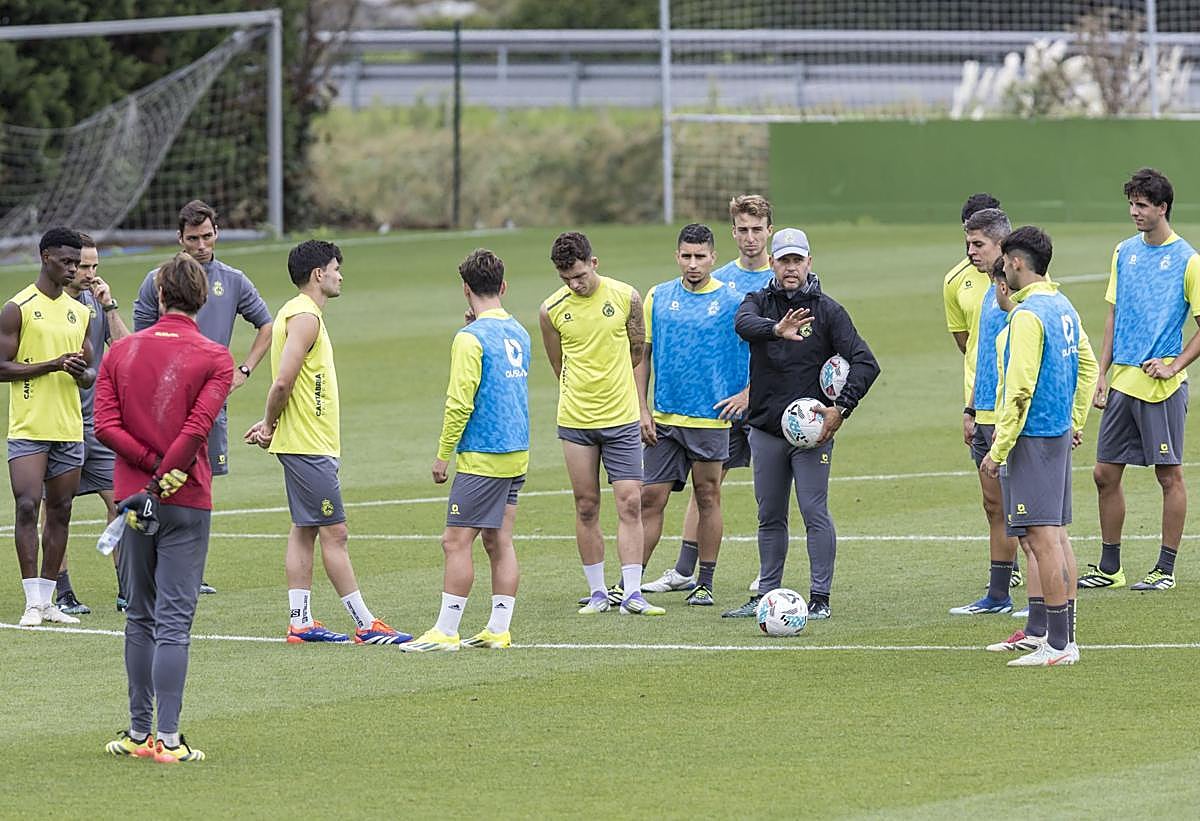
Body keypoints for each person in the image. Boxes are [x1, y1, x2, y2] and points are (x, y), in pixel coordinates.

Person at [95, 252, 233, 761]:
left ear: (158, 295)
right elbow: (198, 428)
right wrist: (165, 475)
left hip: (132, 499)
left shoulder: (121, 352)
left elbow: (105, 426)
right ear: (202, 298)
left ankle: (138, 734)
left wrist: (148, 472)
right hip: (187, 496)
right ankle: (170, 740)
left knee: (140, 618)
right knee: (174, 622)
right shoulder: (215, 357)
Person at [244, 240, 410, 645]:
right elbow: (282, 381)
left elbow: (291, 385)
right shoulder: (305, 317)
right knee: (336, 533)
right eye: (336, 268)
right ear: (319, 274)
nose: (340, 275)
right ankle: (365, 623)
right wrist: (270, 425)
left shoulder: (297, 312)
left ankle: (300, 622)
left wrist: (271, 423)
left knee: (305, 528)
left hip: (306, 441)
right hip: (308, 445)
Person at [722, 228, 880, 620]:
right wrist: (776, 329)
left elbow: (866, 362)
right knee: (770, 515)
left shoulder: (828, 312)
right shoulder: (757, 302)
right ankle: (767, 595)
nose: (790, 268)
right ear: (772, 263)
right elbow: (742, 324)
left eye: (797, 260)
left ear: (809, 262)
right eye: (783, 261)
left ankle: (820, 598)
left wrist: (841, 408)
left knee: (813, 510)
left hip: (813, 434)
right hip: (766, 430)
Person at [133, 199, 274, 595]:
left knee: (200, 486)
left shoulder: (233, 280)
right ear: (180, 238)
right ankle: (151, 571)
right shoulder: (156, 280)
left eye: (207, 237)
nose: (200, 245)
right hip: (163, 405)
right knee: (159, 480)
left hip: (211, 404)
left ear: (217, 234)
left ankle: (188, 573)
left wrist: (244, 370)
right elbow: (137, 341)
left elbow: (266, 325)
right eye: (193, 238)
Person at [644, 194, 775, 596]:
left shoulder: (783, 275)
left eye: (757, 229)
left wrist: (753, 393)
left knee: (769, 487)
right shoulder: (723, 280)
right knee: (706, 488)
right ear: (732, 233)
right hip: (718, 404)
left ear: (769, 231)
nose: (750, 238)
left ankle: (768, 572)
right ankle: (685, 570)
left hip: (765, 399)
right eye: (743, 230)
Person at [980, 226, 1097, 666]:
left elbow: (1019, 389)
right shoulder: (1062, 305)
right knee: (1056, 536)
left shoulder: (1027, 316)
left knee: (1044, 540)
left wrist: (999, 449)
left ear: (1016, 262)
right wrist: (1075, 420)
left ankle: (1060, 646)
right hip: (1056, 433)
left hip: (1032, 437)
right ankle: (1048, 634)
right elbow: (1088, 366)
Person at [402, 249, 529, 651]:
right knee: (499, 540)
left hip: (484, 456)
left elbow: (460, 403)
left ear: (465, 290)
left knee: (455, 541)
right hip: (517, 452)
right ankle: (498, 629)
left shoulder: (469, 339)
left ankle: (446, 630)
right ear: (503, 286)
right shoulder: (518, 331)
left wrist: (444, 455)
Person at [1081, 168, 1200, 592]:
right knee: (1104, 474)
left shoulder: (1188, 260)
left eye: (1142, 205)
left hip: (1160, 389)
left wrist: (1173, 366)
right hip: (1122, 383)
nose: (1134, 211)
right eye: (1131, 204)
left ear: (1162, 208)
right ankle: (1110, 568)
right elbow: (1113, 315)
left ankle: (1164, 570)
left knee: (1169, 477)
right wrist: (1102, 372)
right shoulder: (1124, 252)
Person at [539, 231, 662, 616]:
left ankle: (632, 593)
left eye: (579, 275)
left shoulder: (626, 297)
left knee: (630, 502)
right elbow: (558, 363)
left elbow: (637, 352)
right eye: (566, 279)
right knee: (586, 505)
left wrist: (628, 398)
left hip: (621, 418)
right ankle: (596, 593)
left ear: (594, 263)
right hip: (576, 420)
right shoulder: (551, 310)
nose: (575, 285)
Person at [636, 224, 744, 607]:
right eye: (686, 256)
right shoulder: (658, 296)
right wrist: (642, 408)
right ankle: (630, 583)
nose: (693, 263)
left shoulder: (733, 301)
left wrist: (746, 394)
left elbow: (758, 353)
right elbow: (643, 356)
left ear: (713, 257)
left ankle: (705, 582)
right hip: (664, 420)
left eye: (700, 256)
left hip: (709, 419)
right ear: (677, 256)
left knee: (707, 496)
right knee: (649, 498)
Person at [1, 227, 94, 627]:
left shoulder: (80, 312)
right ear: (45, 257)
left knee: (62, 510)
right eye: (66, 261)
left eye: (77, 262)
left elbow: (90, 373)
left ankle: (47, 600)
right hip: (28, 427)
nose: (73, 269)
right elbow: (1, 367)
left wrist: (79, 372)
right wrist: (52, 365)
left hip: (68, 426)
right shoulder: (17, 307)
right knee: (27, 506)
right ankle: (30, 603)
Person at [949, 208, 1026, 615]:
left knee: (1025, 513)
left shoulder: (1021, 295)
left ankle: (1045, 600)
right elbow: (979, 355)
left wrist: (1007, 416)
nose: (970, 252)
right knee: (994, 507)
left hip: (1007, 419)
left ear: (1001, 245)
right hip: (983, 415)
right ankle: (998, 596)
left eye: (978, 244)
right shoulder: (986, 291)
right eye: (968, 243)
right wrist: (970, 409)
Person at [50, 233, 132, 615]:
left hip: (97, 425)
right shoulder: (50, 305)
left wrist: (110, 305)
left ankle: (127, 589)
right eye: (84, 266)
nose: (90, 273)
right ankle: (63, 592)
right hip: (58, 423)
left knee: (120, 503)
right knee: (58, 508)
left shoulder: (97, 303)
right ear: (66, 264)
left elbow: (129, 350)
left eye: (95, 266)